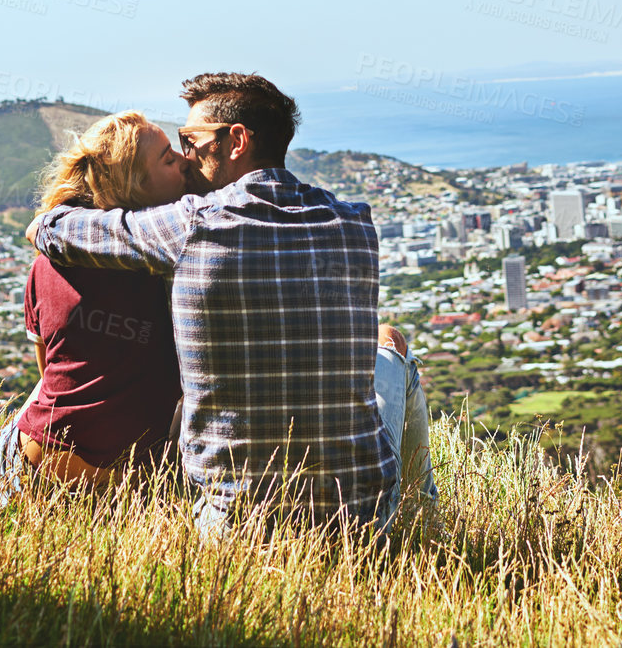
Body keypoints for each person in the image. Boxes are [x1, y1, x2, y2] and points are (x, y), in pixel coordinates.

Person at [29, 73, 436, 533]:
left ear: (236, 140)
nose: (185, 156)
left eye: (190, 140)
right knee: (392, 346)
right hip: (360, 522)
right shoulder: (356, 224)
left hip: (233, 528)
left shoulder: (192, 225)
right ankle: (423, 525)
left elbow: (52, 227)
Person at [0, 110, 185, 503]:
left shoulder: (47, 262)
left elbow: (49, 373)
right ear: (134, 185)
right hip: (133, 475)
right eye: (168, 158)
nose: (184, 161)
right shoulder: (169, 266)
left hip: (33, 458)